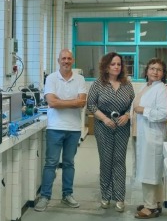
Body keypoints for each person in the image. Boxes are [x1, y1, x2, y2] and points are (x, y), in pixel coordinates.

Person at [34, 48, 88, 212]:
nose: (66, 61)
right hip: (55, 128)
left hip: (73, 129)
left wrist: (61, 101)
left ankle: (67, 195)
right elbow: (52, 103)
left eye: (69, 59)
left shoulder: (80, 79)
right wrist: (72, 102)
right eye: (63, 58)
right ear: (59, 61)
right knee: (51, 163)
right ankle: (45, 196)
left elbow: (82, 103)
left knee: (69, 163)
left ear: (73, 61)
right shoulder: (51, 78)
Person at [87, 52, 135, 212]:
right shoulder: (98, 84)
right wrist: (104, 119)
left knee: (119, 161)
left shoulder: (127, 85)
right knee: (106, 161)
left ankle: (120, 197)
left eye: (119, 64)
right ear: (106, 66)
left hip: (122, 126)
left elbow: (132, 104)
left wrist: (127, 115)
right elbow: (91, 105)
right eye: (113, 64)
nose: (116, 67)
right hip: (103, 125)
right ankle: (106, 196)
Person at [132, 58, 167, 219]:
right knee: (152, 171)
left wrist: (143, 110)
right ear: (146, 70)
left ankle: (150, 207)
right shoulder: (146, 86)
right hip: (142, 134)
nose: (155, 71)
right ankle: (156, 202)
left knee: (150, 171)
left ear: (163, 74)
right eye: (152, 68)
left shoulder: (162, 89)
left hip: (152, 135)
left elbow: (163, 114)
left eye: (159, 69)